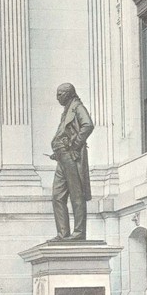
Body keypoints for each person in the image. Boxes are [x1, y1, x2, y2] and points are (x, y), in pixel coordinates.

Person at [49, 83, 94, 241]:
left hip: (71, 156)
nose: (58, 97)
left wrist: (74, 144)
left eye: (60, 94)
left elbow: (88, 125)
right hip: (62, 157)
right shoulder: (66, 110)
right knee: (57, 195)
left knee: (76, 194)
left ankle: (79, 233)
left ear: (69, 94)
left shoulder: (77, 106)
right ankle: (63, 233)